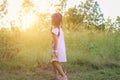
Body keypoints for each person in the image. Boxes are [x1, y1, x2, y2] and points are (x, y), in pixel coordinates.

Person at [51, 13, 68, 80]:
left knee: (54, 62)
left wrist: (55, 51)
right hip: (60, 48)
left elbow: (56, 41)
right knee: (54, 62)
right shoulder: (59, 29)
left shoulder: (54, 30)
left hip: (57, 49)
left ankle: (64, 76)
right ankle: (56, 77)